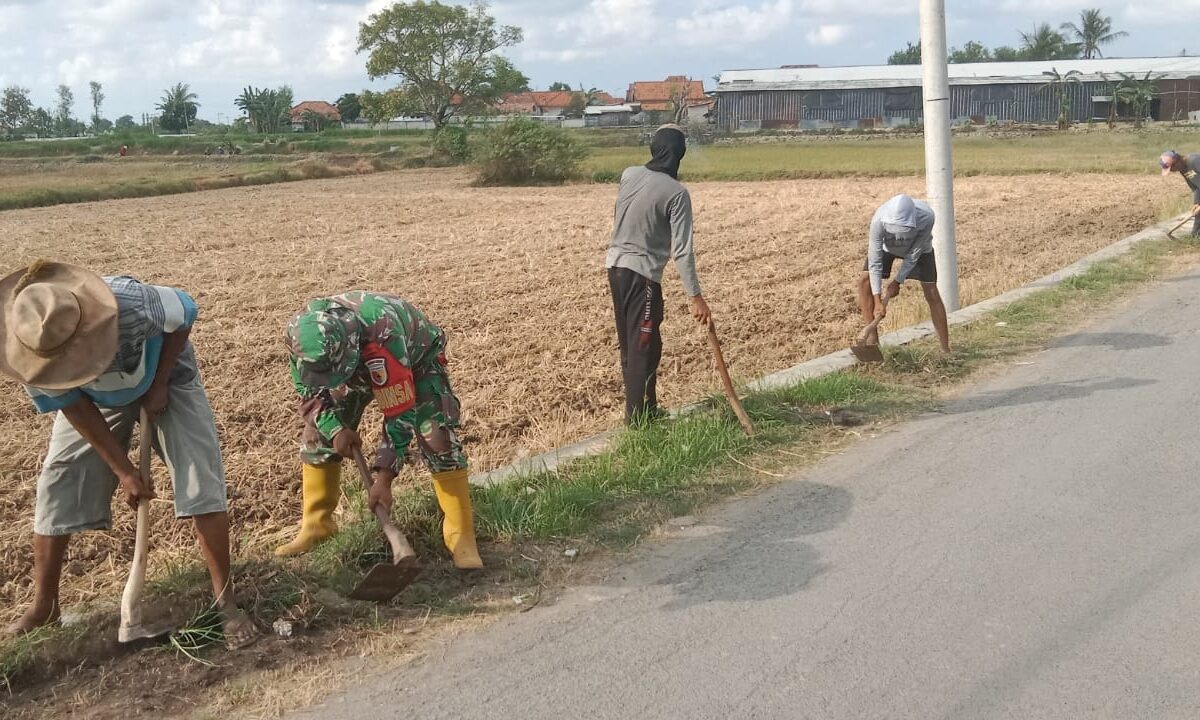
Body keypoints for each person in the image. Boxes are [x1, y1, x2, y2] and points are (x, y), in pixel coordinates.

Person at [0, 261, 256, 648]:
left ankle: (226, 603)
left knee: (198, 475)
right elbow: (74, 405)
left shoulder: (130, 305)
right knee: (60, 480)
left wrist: (160, 382)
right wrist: (124, 471)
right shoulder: (28, 350)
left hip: (166, 377)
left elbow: (184, 312)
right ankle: (44, 606)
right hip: (95, 399)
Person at [278, 291, 482, 571]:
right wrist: (336, 430)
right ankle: (317, 527)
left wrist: (383, 480)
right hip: (355, 365)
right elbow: (309, 392)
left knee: (437, 439)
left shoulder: (383, 335)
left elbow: (399, 415)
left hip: (415, 361)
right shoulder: (302, 341)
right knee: (317, 436)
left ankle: (462, 538)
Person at [605, 124, 711, 424]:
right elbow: (683, 250)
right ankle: (637, 422)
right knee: (642, 345)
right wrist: (696, 297)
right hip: (643, 277)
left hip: (615, 267)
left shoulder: (629, 174)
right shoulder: (677, 193)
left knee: (638, 343)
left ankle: (647, 409)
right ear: (679, 154)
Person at [856, 194, 951, 353]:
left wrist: (898, 281)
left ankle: (945, 349)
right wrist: (877, 300)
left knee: (932, 291)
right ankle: (872, 343)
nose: (899, 236)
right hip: (887, 249)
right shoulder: (878, 220)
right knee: (864, 281)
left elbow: (914, 254)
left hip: (920, 251)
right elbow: (874, 262)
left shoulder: (927, 217)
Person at [1159, 150, 1200, 237]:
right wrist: (1197, 203)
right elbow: (1196, 188)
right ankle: (1195, 236)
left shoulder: (1195, 160)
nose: (1173, 171)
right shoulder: (1183, 169)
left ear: (1177, 161)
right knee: (1198, 214)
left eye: (1172, 168)